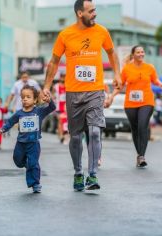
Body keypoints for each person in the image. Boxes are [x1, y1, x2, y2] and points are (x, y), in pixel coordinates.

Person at [42, 0, 122, 191]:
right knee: (76, 136)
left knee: (95, 132)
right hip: (73, 93)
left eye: (95, 10)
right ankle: (78, 173)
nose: (95, 14)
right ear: (80, 13)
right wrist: (46, 86)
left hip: (95, 90)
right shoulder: (66, 35)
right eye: (91, 11)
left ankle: (92, 175)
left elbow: (111, 53)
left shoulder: (102, 31)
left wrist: (117, 74)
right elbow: (54, 62)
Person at [108, 45, 162, 168]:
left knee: (142, 126)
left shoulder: (150, 67)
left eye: (142, 52)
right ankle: (139, 154)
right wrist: (112, 96)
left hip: (147, 101)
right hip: (130, 103)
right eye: (138, 52)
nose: (141, 54)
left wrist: (159, 83)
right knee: (135, 128)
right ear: (133, 54)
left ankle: (141, 156)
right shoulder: (127, 69)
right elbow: (120, 85)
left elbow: (154, 79)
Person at [0, 85, 56, 193]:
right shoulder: (19, 113)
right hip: (21, 143)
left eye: (28, 97)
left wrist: (50, 101)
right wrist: (4, 129)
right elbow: (10, 122)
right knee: (18, 161)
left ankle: (35, 184)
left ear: (35, 100)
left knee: (33, 163)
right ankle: (26, 163)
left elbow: (52, 108)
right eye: (23, 97)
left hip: (33, 143)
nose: (24, 99)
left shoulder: (39, 111)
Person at [53, 73, 66, 143]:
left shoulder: (68, 86)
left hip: (66, 107)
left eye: (64, 77)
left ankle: (65, 133)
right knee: (60, 121)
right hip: (58, 107)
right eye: (62, 77)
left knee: (66, 121)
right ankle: (61, 135)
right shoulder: (56, 86)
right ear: (60, 78)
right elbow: (52, 95)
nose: (63, 79)